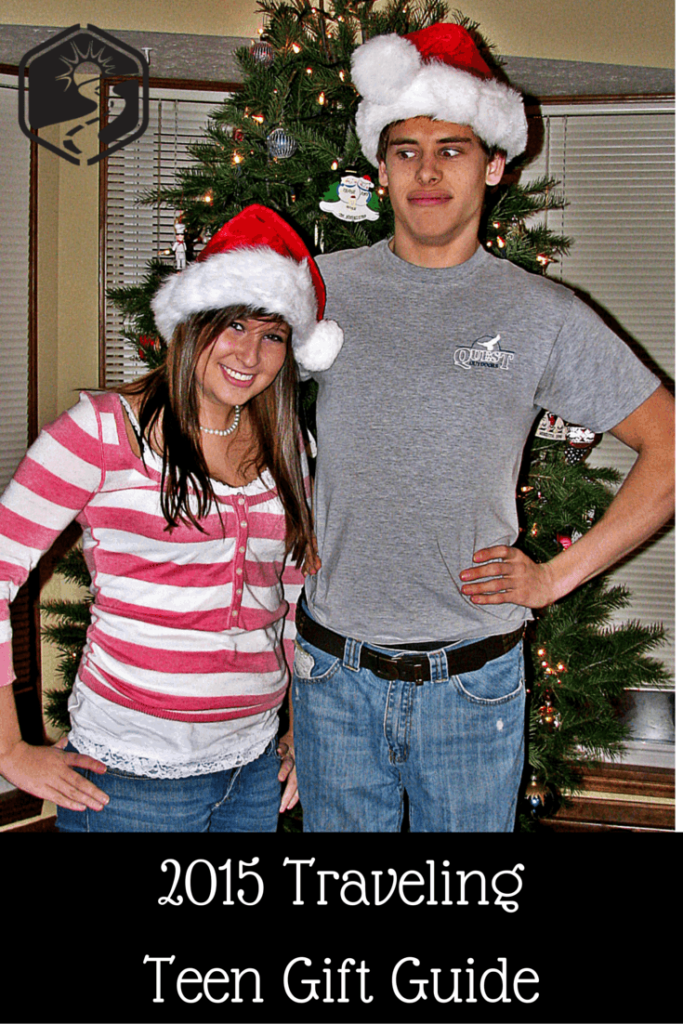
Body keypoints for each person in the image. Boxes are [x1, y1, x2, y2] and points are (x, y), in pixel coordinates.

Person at [292, 24, 675, 832]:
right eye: (404, 150)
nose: (426, 171)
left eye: (451, 149)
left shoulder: (540, 315)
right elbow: (222, 407)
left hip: (471, 685)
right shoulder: (315, 289)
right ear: (379, 165)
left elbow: (667, 447)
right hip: (330, 674)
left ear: (493, 165)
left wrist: (553, 579)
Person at [0, 204, 342, 832]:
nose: (250, 354)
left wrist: (300, 728)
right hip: (130, 779)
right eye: (233, 324)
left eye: (273, 335)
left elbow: (292, 597)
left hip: (254, 767)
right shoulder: (101, 431)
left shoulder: (288, 442)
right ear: (192, 322)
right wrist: (9, 751)